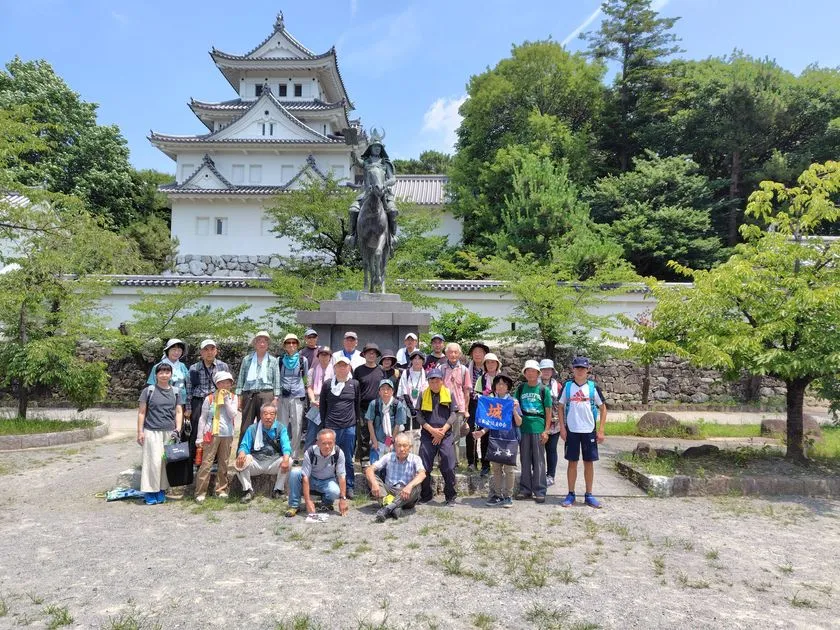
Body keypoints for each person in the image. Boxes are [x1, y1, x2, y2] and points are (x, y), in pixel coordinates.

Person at [557, 357, 607, 509]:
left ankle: (589, 494)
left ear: (588, 370)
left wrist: (601, 429)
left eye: (583, 368)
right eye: (577, 368)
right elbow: (560, 406)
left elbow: (603, 408)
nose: (580, 370)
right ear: (573, 369)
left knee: (588, 463)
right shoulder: (567, 386)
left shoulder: (593, 387)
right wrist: (562, 428)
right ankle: (571, 494)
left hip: (589, 430)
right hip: (572, 430)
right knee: (572, 462)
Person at [147, 338, 192, 490]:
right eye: (173, 349)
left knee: (179, 437)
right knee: (161, 440)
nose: (177, 351)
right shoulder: (158, 367)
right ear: (167, 350)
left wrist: (188, 406)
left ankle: (177, 473)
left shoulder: (183, 367)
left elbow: (188, 386)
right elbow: (151, 388)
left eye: (179, 349)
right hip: (163, 406)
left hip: (181, 403)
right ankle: (159, 476)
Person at [471, 374, 521, 508]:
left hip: (510, 439)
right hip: (495, 439)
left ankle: (508, 496)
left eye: (503, 384)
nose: (500, 386)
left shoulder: (513, 401)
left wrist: (515, 410)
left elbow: (519, 422)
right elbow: (490, 422)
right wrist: (481, 432)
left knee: (509, 469)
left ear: (508, 387)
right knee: (496, 469)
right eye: (498, 384)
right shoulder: (492, 402)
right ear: (494, 387)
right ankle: (498, 495)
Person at [137, 363, 183, 505]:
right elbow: (141, 412)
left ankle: (162, 490)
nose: (164, 375)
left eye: (167, 372)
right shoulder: (148, 391)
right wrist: (140, 431)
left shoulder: (175, 391)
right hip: (151, 431)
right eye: (161, 372)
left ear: (171, 374)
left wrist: (178, 429)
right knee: (152, 462)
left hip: (169, 432)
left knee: (164, 463)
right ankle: (150, 492)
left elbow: (179, 411)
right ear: (156, 375)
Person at [320, 356, 362, 498]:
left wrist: (355, 424)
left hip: (349, 427)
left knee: (348, 458)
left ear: (349, 368)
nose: (342, 368)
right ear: (335, 368)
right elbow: (322, 407)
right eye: (339, 365)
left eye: (345, 366)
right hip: (331, 427)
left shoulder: (354, 384)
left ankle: (349, 486)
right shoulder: (327, 385)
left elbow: (357, 406)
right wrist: (325, 426)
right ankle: (331, 485)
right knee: (330, 457)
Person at [193, 371, 238, 502]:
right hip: (211, 433)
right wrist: (199, 437)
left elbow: (232, 415)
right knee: (206, 463)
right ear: (217, 384)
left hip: (227, 433)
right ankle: (200, 492)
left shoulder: (233, 397)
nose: (225, 385)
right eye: (221, 382)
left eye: (228, 382)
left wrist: (226, 401)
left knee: (224, 463)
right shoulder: (210, 398)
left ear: (231, 384)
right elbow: (203, 418)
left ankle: (222, 489)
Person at [286, 429, 349, 518]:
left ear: (334, 442)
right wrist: (307, 501)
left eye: (330, 443)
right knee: (295, 473)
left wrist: (343, 499)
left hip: (327, 481)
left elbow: (342, 476)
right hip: (312, 478)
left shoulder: (339, 453)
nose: (327, 446)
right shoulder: (310, 452)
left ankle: (325, 504)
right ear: (318, 443)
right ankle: (294, 505)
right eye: (324, 443)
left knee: (335, 491)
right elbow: (305, 476)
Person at [187, 339, 230, 470]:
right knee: (197, 429)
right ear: (201, 352)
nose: (209, 352)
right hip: (199, 400)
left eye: (212, 349)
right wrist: (188, 407)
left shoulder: (223, 366)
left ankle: (215, 460)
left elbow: (227, 385)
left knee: (215, 429)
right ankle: (196, 459)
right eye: (206, 349)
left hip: (216, 400)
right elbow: (189, 388)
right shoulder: (194, 368)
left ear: (216, 351)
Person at [235, 404, 291, 503]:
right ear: (261, 415)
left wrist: (286, 459)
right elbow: (244, 446)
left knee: (289, 461)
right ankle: (248, 490)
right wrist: (242, 453)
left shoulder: (280, 428)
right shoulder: (252, 428)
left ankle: (278, 490)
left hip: (273, 463)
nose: (268, 417)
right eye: (265, 414)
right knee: (239, 462)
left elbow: (286, 446)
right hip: (256, 462)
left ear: (275, 416)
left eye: (271, 414)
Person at [348, 131, 398, 243]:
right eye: (375, 146)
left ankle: (393, 236)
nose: (377, 149)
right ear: (370, 148)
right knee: (353, 210)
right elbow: (356, 160)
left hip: (383, 192)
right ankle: (352, 235)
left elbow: (393, 179)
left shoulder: (385, 163)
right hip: (366, 192)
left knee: (393, 211)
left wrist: (385, 184)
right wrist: (352, 149)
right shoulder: (366, 162)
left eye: (379, 147)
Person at [514, 360, 552, 503]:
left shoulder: (543, 389)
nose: (530, 373)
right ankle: (525, 489)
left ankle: (540, 490)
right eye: (527, 371)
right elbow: (515, 407)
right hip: (523, 427)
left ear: (538, 373)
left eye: (533, 371)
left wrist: (546, 431)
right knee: (524, 459)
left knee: (539, 460)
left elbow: (548, 411)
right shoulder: (520, 388)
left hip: (538, 426)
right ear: (525, 373)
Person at [418, 368, 458, 506]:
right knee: (423, 465)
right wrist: (431, 430)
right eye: (432, 380)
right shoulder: (423, 394)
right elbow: (418, 415)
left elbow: (454, 414)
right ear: (428, 382)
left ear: (442, 381)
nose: (435, 383)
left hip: (445, 434)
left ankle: (450, 496)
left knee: (448, 463)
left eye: (437, 380)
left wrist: (442, 431)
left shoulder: (449, 393)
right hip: (428, 434)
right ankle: (425, 495)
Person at [365, 432, 426, 522]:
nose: (402, 449)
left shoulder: (415, 459)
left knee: (417, 485)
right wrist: (374, 483)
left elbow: (422, 474)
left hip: (406, 496)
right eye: (399, 445)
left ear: (410, 447)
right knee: (371, 477)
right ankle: (394, 508)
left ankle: (387, 508)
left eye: (405, 446)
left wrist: (409, 486)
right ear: (394, 446)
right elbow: (369, 469)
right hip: (390, 492)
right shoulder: (388, 457)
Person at [235, 331, 281, 451]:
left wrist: (276, 397)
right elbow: (241, 378)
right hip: (249, 393)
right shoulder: (247, 359)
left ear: (268, 344)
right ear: (255, 343)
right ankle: (243, 453)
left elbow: (277, 380)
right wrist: (239, 397)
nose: (262, 343)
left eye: (264, 341)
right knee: (245, 426)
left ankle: (266, 453)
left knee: (266, 424)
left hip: (267, 394)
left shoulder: (273, 360)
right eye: (259, 341)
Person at [438, 342, 472, 466]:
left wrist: (466, 409)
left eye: (455, 352)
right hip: (444, 406)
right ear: (446, 353)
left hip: (459, 407)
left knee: (456, 436)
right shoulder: (441, 368)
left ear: (459, 354)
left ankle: (455, 462)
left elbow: (467, 391)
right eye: (450, 352)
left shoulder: (464, 370)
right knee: (443, 433)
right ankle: (442, 461)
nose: (453, 354)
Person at [353, 342, 386, 468]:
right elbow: (355, 389)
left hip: (378, 407)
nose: (371, 355)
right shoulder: (358, 370)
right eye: (369, 353)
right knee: (363, 434)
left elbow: (385, 387)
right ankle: (364, 460)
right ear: (364, 355)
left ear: (377, 356)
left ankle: (378, 459)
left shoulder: (381, 370)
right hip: (362, 407)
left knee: (378, 432)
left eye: (374, 353)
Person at [470, 352, 502, 478]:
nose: (490, 364)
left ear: (497, 364)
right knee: (484, 439)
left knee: (499, 438)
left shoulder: (502, 377)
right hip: (485, 413)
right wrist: (482, 396)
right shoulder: (481, 378)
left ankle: (500, 464)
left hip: (499, 412)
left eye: (493, 362)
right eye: (488, 362)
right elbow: (476, 394)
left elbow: (507, 393)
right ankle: (485, 465)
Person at [278, 333, 309, 462]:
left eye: (294, 343)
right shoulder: (279, 360)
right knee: (282, 425)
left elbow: (305, 378)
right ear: (284, 346)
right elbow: (277, 377)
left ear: (297, 345)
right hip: (283, 396)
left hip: (298, 395)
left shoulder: (303, 360)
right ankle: (283, 452)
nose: (291, 345)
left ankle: (294, 455)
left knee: (297, 426)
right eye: (288, 343)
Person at [365, 379, 409, 464]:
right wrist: (374, 440)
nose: (386, 391)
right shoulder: (374, 404)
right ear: (379, 392)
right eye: (383, 389)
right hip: (377, 440)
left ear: (392, 391)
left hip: (393, 441)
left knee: (391, 466)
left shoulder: (398, 405)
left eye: (388, 389)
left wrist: (390, 442)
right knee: (375, 467)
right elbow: (369, 422)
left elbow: (398, 424)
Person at [396, 349, 427, 454]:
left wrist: (418, 408)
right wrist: (411, 407)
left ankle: (416, 455)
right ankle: (405, 454)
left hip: (421, 408)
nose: (417, 361)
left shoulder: (426, 374)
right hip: (407, 407)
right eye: (414, 358)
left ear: (423, 361)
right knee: (406, 432)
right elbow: (403, 390)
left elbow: (426, 392)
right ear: (411, 360)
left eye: (419, 359)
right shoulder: (406, 373)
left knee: (418, 433)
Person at [465, 342, 490, 473]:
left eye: (480, 351)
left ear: (485, 354)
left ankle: (486, 463)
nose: (478, 354)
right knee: (470, 432)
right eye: (475, 352)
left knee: (485, 432)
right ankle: (472, 461)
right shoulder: (466, 369)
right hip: (471, 403)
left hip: (487, 405)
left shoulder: (491, 369)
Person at [539, 359, 563, 487]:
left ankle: (551, 475)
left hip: (554, 423)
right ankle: (538, 473)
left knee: (551, 449)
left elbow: (562, 405)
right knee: (538, 449)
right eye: (544, 369)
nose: (546, 372)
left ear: (552, 371)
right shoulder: (534, 384)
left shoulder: (558, 386)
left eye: (549, 369)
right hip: (538, 422)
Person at [304, 346, 334, 451]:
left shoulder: (334, 370)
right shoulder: (312, 371)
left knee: (329, 430)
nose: (324, 357)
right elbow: (309, 387)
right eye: (322, 354)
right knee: (312, 431)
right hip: (315, 401)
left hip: (330, 402)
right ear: (318, 356)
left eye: (327, 355)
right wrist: (312, 400)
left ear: (330, 357)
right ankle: (308, 454)